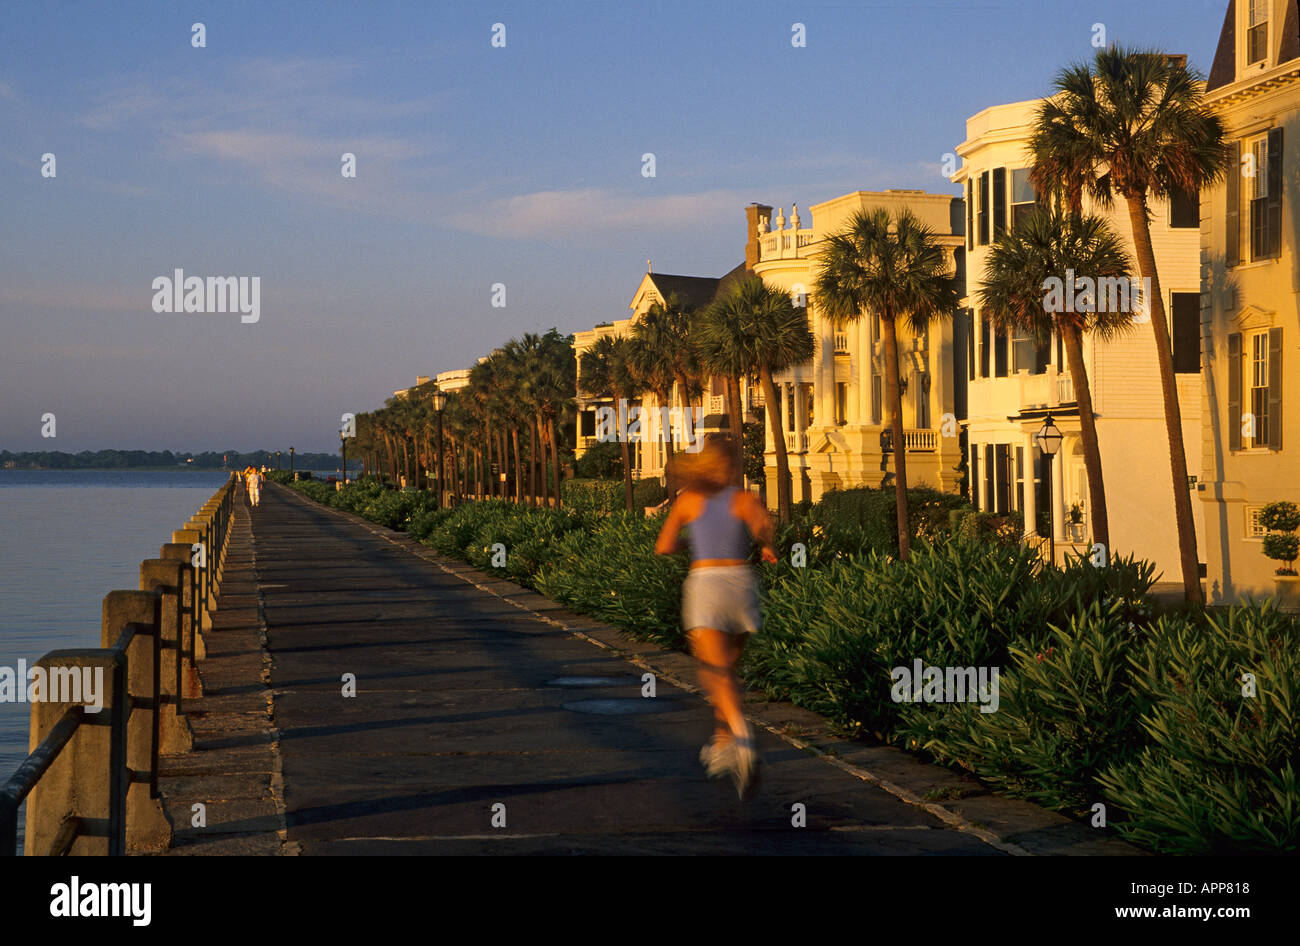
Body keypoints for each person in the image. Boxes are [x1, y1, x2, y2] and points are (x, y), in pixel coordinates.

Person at [654, 434, 777, 799]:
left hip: (706, 584)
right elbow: (765, 533)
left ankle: (742, 736)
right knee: (728, 673)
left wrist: (687, 543)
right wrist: (768, 547)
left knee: (713, 673)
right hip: (741, 585)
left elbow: (663, 546)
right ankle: (724, 744)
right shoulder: (745, 499)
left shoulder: (688, 500)